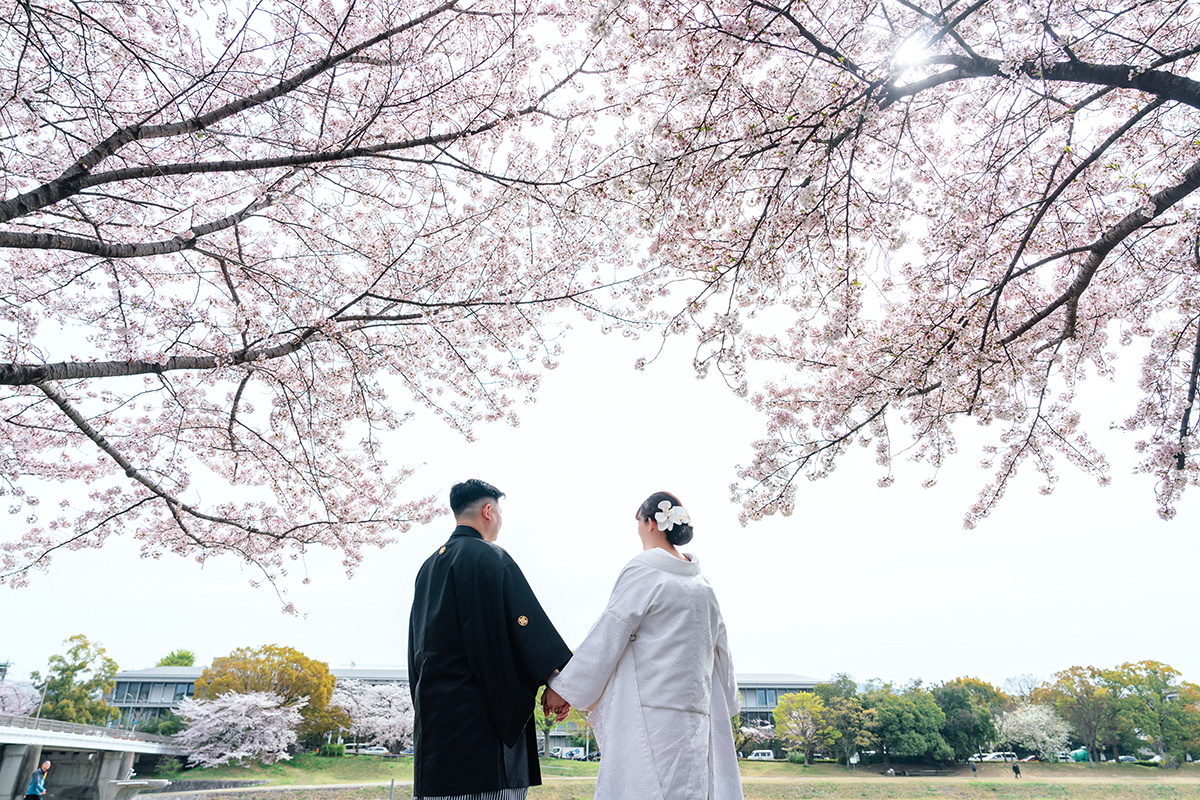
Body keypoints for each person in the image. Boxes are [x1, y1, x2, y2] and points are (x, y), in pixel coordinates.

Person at [542, 491, 742, 800]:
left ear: (650, 522)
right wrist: (726, 702)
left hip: (649, 710)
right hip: (695, 715)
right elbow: (721, 651)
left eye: (638, 521)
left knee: (645, 788)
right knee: (689, 789)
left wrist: (564, 688)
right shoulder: (703, 586)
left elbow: (610, 631)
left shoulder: (644, 570)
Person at [408, 479, 573, 800]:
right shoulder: (489, 558)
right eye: (499, 511)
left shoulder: (427, 568)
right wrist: (557, 679)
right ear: (488, 511)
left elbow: (417, 649)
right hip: (481, 728)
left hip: (436, 731)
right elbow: (525, 627)